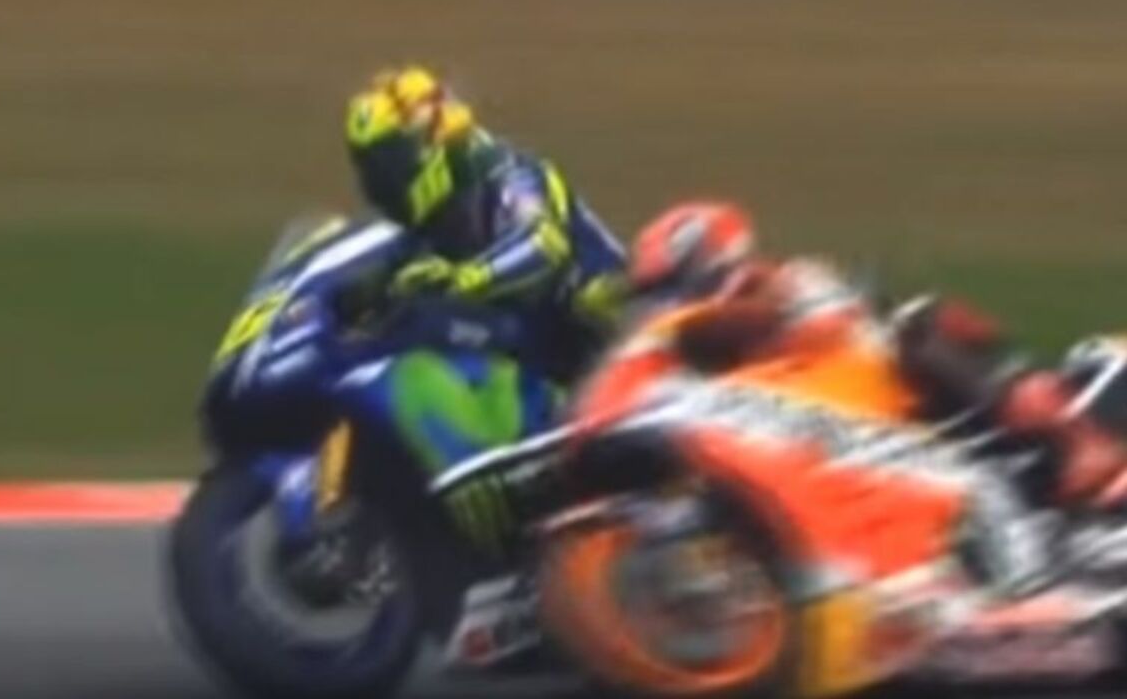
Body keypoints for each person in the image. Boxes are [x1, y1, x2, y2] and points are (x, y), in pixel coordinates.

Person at [581, 199, 1127, 513]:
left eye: (670, 289)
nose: (667, 306)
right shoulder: (713, 364)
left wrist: (691, 322)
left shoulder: (790, 283)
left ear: (715, 263)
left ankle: (1080, 442)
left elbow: (816, 325)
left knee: (918, 327)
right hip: (842, 462)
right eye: (655, 297)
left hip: (903, 407)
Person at [343, 65, 626, 381]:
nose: (376, 181)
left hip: (599, 345)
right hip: (521, 352)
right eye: (367, 166)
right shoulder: (434, 214)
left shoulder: (512, 173)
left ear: (426, 150)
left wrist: (462, 280)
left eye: (386, 163)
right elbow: (404, 271)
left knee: (590, 302)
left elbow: (543, 245)